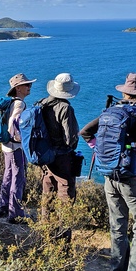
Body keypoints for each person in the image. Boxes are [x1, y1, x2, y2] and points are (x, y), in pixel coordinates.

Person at [79, 73, 136, 271]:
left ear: (124, 91)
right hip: (133, 177)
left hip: (109, 178)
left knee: (117, 227)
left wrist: (101, 152)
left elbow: (85, 132)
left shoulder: (110, 111)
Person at [38, 73, 80, 241]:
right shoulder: (65, 108)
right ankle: (63, 242)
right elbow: (70, 139)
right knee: (65, 197)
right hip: (62, 158)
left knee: (47, 195)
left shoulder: (42, 104)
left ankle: (46, 235)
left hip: (45, 157)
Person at [0, 73, 36, 224]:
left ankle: (3, 207)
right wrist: (23, 140)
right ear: (18, 88)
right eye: (27, 85)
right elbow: (14, 123)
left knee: (8, 175)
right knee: (18, 178)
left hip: (6, 145)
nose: (29, 87)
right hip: (15, 146)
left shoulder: (10, 102)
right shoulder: (19, 104)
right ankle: (15, 214)